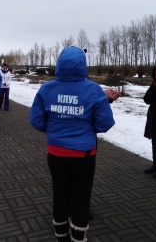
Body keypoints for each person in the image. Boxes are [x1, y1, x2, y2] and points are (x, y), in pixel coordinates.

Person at [30, 46, 115, 242]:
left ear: (59, 64)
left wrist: (54, 130)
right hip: (83, 155)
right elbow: (105, 123)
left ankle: (61, 236)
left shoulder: (47, 88)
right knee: (81, 197)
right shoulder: (93, 89)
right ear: (83, 65)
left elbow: (36, 120)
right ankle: (78, 238)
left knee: (60, 193)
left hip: (56, 153)